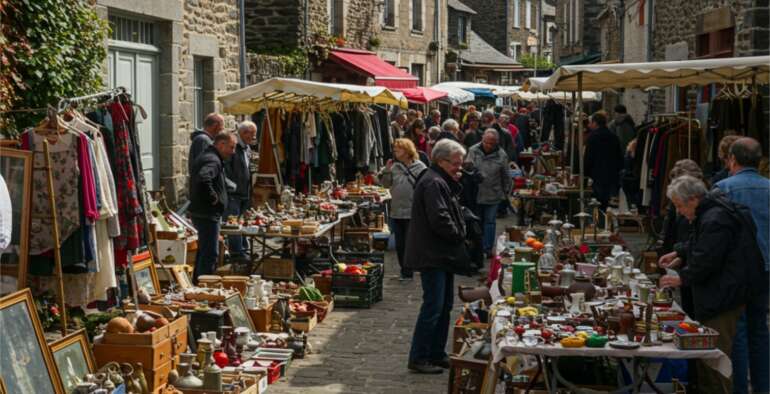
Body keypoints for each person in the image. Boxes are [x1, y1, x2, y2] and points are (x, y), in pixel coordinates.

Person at [658, 175, 762, 394]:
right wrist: (680, 252)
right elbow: (702, 243)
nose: (679, 211)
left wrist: (682, 277)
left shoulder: (714, 218)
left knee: (716, 355)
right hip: (722, 292)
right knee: (713, 351)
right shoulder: (710, 212)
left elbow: (707, 259)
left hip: (723, 295)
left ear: (694, 199)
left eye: (679, 205)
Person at [405, 139, 467, 374]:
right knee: (433, 306)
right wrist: (459, 235)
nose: (458, 168)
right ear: (441, 161)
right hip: (432, 253)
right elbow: (439, 218)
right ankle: (419, 357)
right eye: (455, 163)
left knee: (444, 306)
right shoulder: (433, 182)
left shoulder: (440, 180)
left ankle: (436, 353)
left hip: (440, 253)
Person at [714, 137, 770, 394]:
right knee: (760, 329)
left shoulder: (722, 189)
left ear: (732, 159)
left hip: (735, 272)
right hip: (765, 268)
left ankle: (738, 388)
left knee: (738, 330)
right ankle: (762, 386)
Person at [189, 132, 237, 281]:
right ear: (221, 145)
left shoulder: (210, 157)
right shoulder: (212, 160)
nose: (233, 151)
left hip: (205, 213)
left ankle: (198, 284)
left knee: (204, 251)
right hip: (207, 214)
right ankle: (205, 287)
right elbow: (204, 178)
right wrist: (213, 198)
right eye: (231, 147)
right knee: (210, 253)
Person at [378, 138, 427, 281]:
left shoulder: (420, 167)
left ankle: (410, 269)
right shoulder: (394, 167)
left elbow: (425, 187)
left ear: (406, 151)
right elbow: (386, 185)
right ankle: (405, 269)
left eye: (398, 149)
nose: (394, 151)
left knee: (411, 243)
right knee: (400, 243)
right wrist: (386, 170)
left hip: (413, 211)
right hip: (396, 211)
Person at [466, 129, 512, 255]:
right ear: (482, 139)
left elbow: (506, 175)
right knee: (477, 221)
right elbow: (467, 168)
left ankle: (487, 248)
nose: (488, 145)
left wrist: (506, 192)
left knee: (490, 221)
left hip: (493, 193)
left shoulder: (501, 155)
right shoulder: (473, 150)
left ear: (496, 143)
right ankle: (477, 248)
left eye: (491, 143)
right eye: (486, 142)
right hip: (476, 193)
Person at [224, 121, 257, 260]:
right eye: (252, 135)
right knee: (233, 223)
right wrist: (232, 187)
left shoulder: (246, 148)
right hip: (234, 194)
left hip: (244, 192)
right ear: (244, 133)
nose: (253, 137)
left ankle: (244, 249)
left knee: (242, 222)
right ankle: (237, 253)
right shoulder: (234, 147)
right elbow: (226, 169)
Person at [583, 111, 624, 210]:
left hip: (596, 174)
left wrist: (585, 173)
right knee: (607, 201)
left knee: (597, 200)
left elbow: (588, 157)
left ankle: (599, 220)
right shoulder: (614, 137)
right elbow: (619, 156)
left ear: (595, 123)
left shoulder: (592, 137)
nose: (589, 125)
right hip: (611, 174)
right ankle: (605, 218)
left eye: (591, 123)